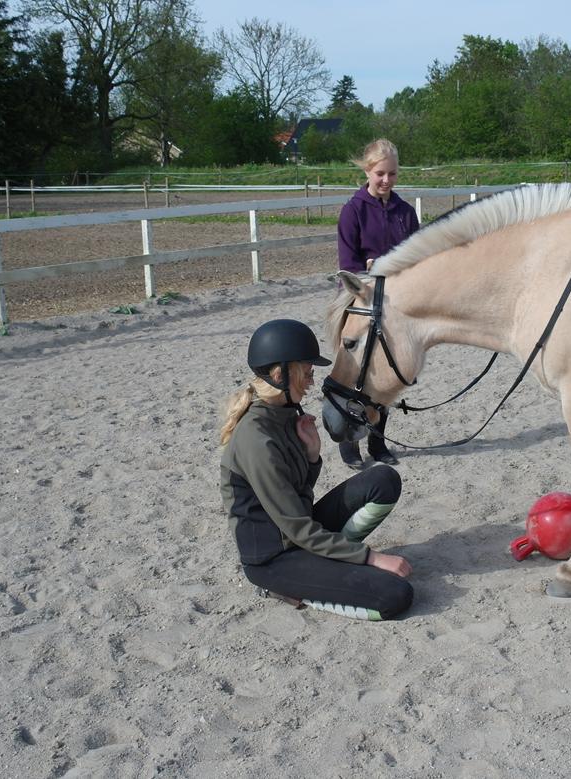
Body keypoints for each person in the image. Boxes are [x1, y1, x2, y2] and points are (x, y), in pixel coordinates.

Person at [219, 318, 413, 621]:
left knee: (383, 479)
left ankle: (331, 566)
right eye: (307, 373)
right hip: (275, 558)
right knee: (396, 595)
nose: (311, 382)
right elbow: (297, 527)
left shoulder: (284, 415)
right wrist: (371, 558)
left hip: (300, 536)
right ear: (280, 375)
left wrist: (311, 457)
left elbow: (297, 499)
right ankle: (288, 587)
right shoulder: (257, 439)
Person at [336, 138, 420, 469]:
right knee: (354, 374)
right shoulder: (353, 211)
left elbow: (416, 257)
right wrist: (370, 269)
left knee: (386, 378)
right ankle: (348, 442)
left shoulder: (405, 212)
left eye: (392, 174)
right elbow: (347, 264)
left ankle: (377, 441)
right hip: (359, 301)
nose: (386, 180)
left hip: (392, 306)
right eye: (380, 173)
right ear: (367, 171)